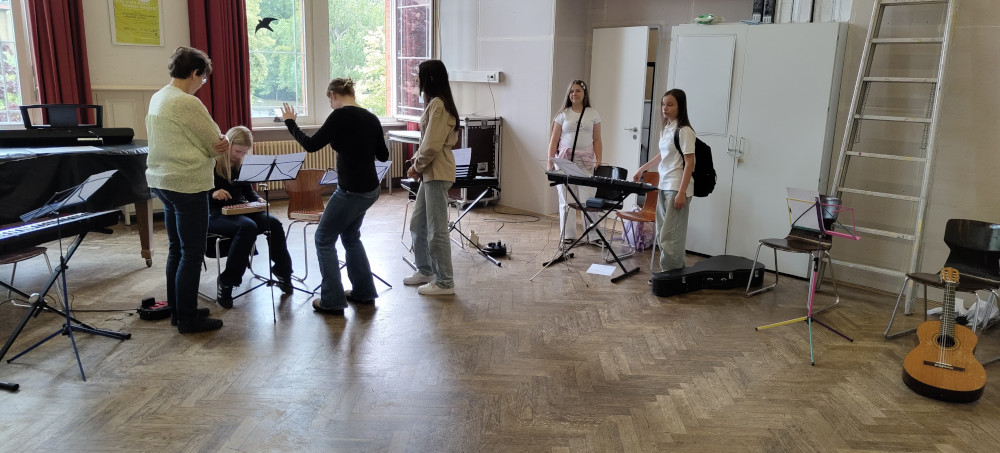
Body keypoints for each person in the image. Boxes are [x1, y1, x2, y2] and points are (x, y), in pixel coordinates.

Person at [281, 78, 389, 316]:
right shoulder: (371, 117)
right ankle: (364, 292)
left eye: (329, 99)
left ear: (333, 95)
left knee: (323, 238)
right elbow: (383, 155)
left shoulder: (339, 116)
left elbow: (311, 145)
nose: (330, 104)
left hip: (351, 191)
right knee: (350, 236)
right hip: (370, 190)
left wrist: (290, 122)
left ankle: (332, 300)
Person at [146, 46, 229, 333]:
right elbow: (215, 144)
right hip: (187, 183)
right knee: (192, 252)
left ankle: (178, 309)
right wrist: (222, 142)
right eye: (203, 78)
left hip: (162, 182)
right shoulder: (187, 102)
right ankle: (188, 319)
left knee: (176, 249)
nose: (202, 84)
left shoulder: (159, 96)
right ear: (194, 73)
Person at [208, 126, 294, 308]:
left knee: (274, 223)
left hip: (241, 209)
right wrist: (213, 193)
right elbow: (199, 192)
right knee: (247, 227)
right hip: (216, 213)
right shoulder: (211, 163)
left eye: (244, 152)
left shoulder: (241, 164)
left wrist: (257, 200)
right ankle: (227, 281)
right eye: (238, 151)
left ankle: (283, 271)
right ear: (228, 144)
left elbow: (248, 191)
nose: (240, 155)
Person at [403, 59, 460, 296]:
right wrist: (418, 164)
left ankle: (445, 282)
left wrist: (416, 166)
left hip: (436, 172)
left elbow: (431, 145)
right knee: (418, 224)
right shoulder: (436, 103)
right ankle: (425, 270)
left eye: (420, 75)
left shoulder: (439, 104)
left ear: (431, 78)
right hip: (430, 173)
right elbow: (427, 142)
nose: (417, 79)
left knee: (437, 230)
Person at [632, 89, 695, 272]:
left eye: (670, 104)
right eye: (663, 104)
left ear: (680, 107)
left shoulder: (685, 131)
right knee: (661, 234)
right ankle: (674, 274)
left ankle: (670, 276)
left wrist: (681, 192)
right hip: (664, 185)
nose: (665, 108)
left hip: (676, 187)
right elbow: (663, 155)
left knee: (671, 236)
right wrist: (642, 169)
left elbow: (690, 162)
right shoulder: (668, 129)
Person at [546, 80, 603, 244]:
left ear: (584, 94)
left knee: (588, 199)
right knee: (566, 200)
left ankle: (593, 236)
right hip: (565, 161)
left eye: (578, 91)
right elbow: (554, 140)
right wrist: (550, 162)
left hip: (585, 162)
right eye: (571, 91)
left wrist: (599, 159)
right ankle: (568, 235)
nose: (574, 94)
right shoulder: (563, 115)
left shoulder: (593, 114)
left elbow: (597, 139)